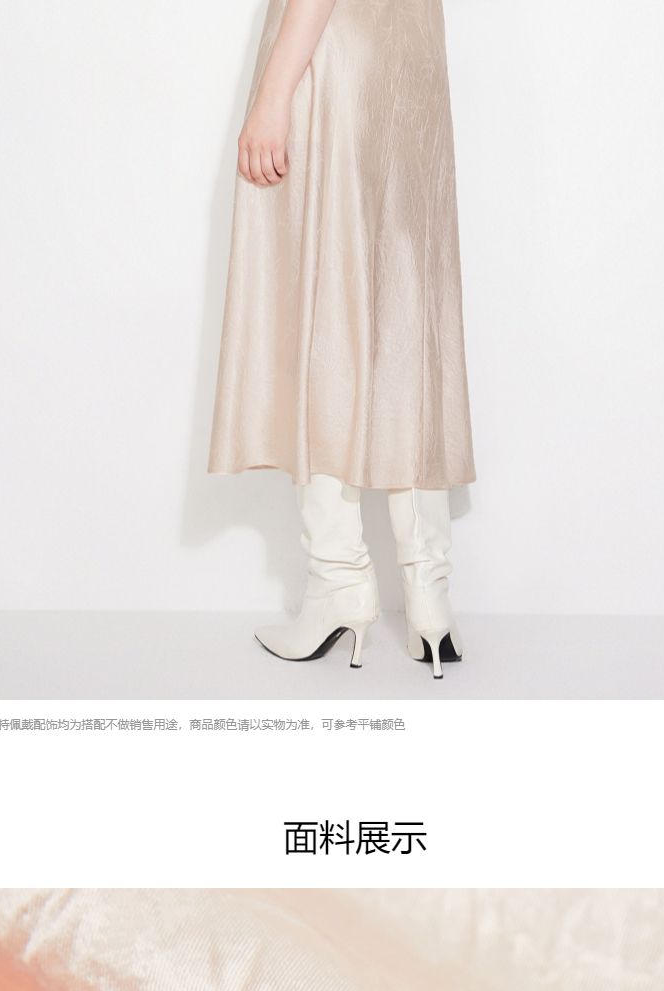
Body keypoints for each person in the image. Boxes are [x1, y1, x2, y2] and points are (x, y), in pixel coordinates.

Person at [209, 0, 475, 679]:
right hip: (410, 61)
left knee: (322, 310)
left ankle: (339, 584)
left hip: (333, 61)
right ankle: (430, 598)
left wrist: (273, 95)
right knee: (405, 317)